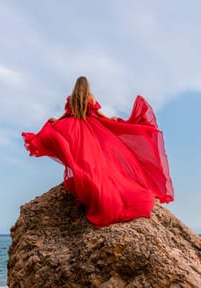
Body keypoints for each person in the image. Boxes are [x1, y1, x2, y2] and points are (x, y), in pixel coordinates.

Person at [22, 76, 174, 228]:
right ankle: (100, 191)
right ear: (87, 86)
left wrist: (56, 120)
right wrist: (110, 119)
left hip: (74, 129)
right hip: (90, 128)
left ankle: (90, 188)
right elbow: (98, 113)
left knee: (79, 158)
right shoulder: (90, 97)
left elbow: (67, 114)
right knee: (95, 158)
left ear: (76, 86)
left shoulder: (71, 98)